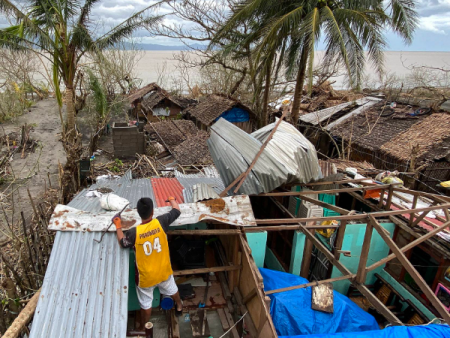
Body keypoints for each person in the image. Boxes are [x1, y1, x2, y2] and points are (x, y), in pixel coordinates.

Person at [113, 196, 183, 332]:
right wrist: (172, 199)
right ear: (152, 212)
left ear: (138, 213)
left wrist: (118, 225)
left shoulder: (134, 232)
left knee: (146, 304)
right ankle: (179, 306)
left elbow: (123, 243)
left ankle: (145, 325)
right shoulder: (161, 222)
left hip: (146, 278)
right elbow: (177, 211)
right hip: (163, 272)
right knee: (173, 290)